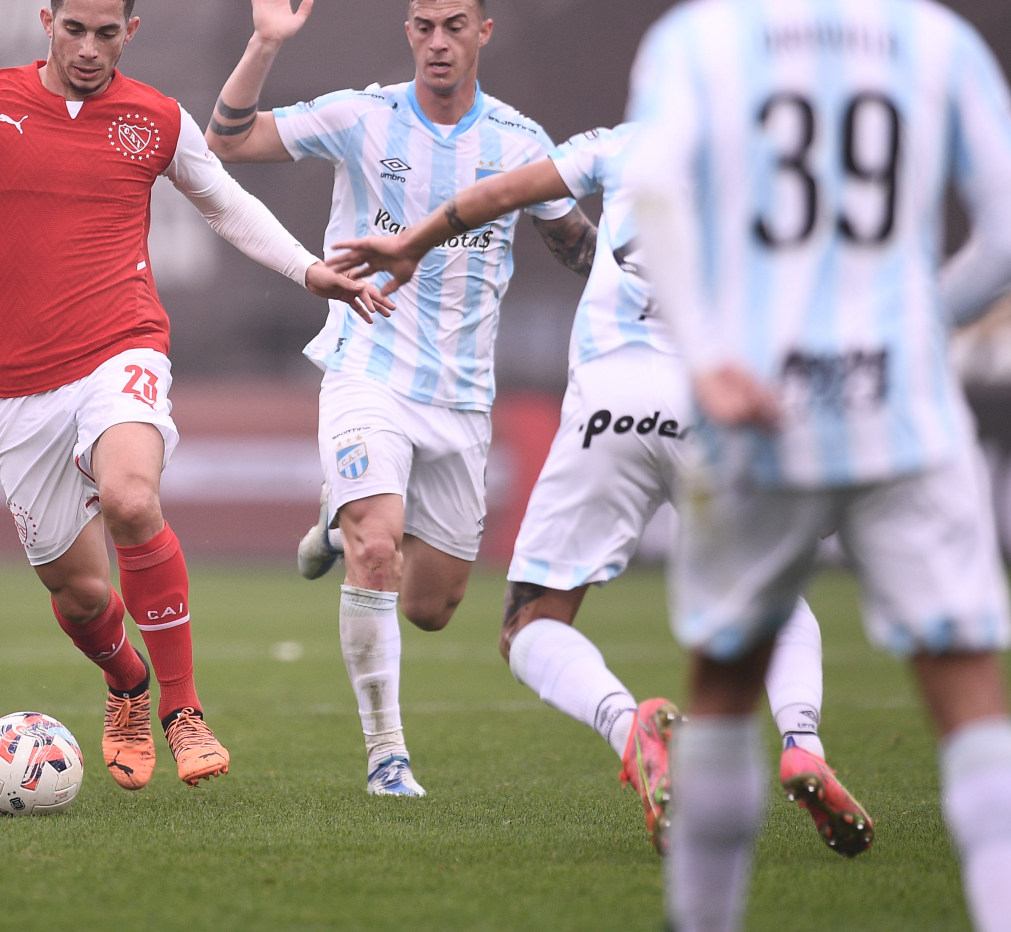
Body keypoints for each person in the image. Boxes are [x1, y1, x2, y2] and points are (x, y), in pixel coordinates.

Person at [0, 0, 390, 793]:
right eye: (73, 29)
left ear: (130, 32)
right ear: (45, 24)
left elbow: (227, 205)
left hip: (120, 346)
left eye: (106, 33)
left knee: (132, 497)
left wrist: (310, 269)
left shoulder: (154, 118)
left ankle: (182, 707)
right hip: (17, 386)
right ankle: (125, 682)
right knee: (83, 592)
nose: (88, 48)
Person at [626, 0, 1011, 932]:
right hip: (902, 415)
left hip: (751, 414)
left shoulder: (695, 40)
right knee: (967, 697)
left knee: (718, 695)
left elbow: (655, 203)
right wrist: (916, 327)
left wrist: (711, 356)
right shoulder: (934, 39)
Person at [330, 121, 872, 857]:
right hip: (711, 406)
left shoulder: (629, 141)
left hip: (608, 401)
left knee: (529, 625)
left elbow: (502, 191)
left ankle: (629, 725)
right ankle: (802, 740)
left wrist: (414, 240)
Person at [202, 0, 595, 797]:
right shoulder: (363, 116)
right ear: (407, 31)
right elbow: (226, 139)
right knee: (379, 550)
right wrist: (265, 44)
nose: (439, 43)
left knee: (433, 605)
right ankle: (387, 757)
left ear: (483, 32)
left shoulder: (521, 146)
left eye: (456, 25)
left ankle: (335, 522)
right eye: (424, 26)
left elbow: (581, 250)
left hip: (461, 399)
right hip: (365, 368)